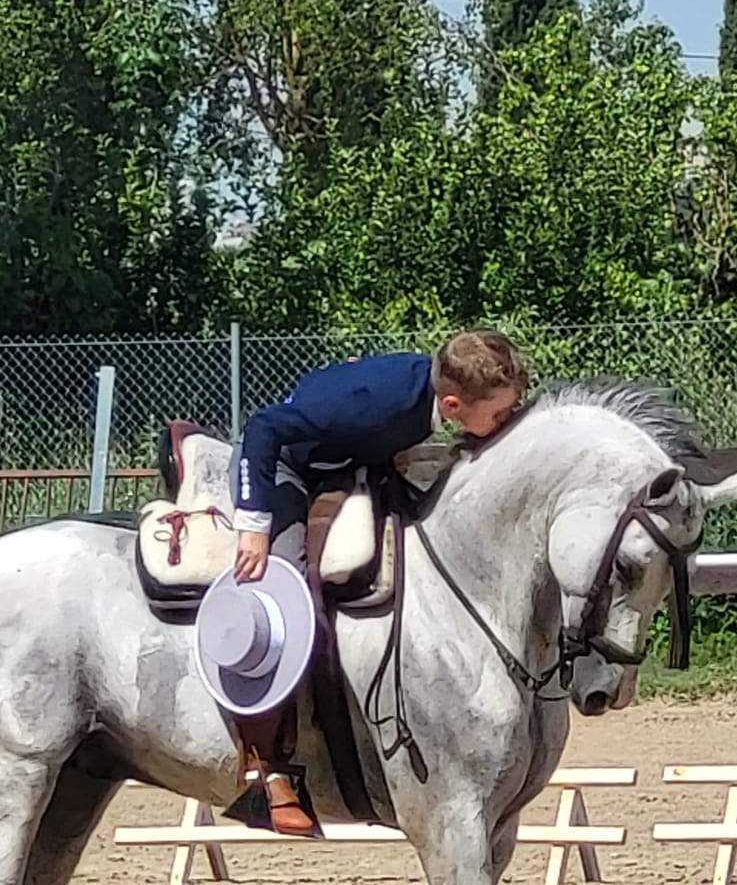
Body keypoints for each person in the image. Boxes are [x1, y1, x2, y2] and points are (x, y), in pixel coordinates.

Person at [223, 328, 530, 835]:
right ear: (453, 404)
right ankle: (267, 770)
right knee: (288, 604)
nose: (504, 423)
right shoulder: (378, 406)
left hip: (348, 466)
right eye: (498, 415)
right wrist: (254, 524)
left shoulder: (424, 392)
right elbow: (264, 428)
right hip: (282, 467)